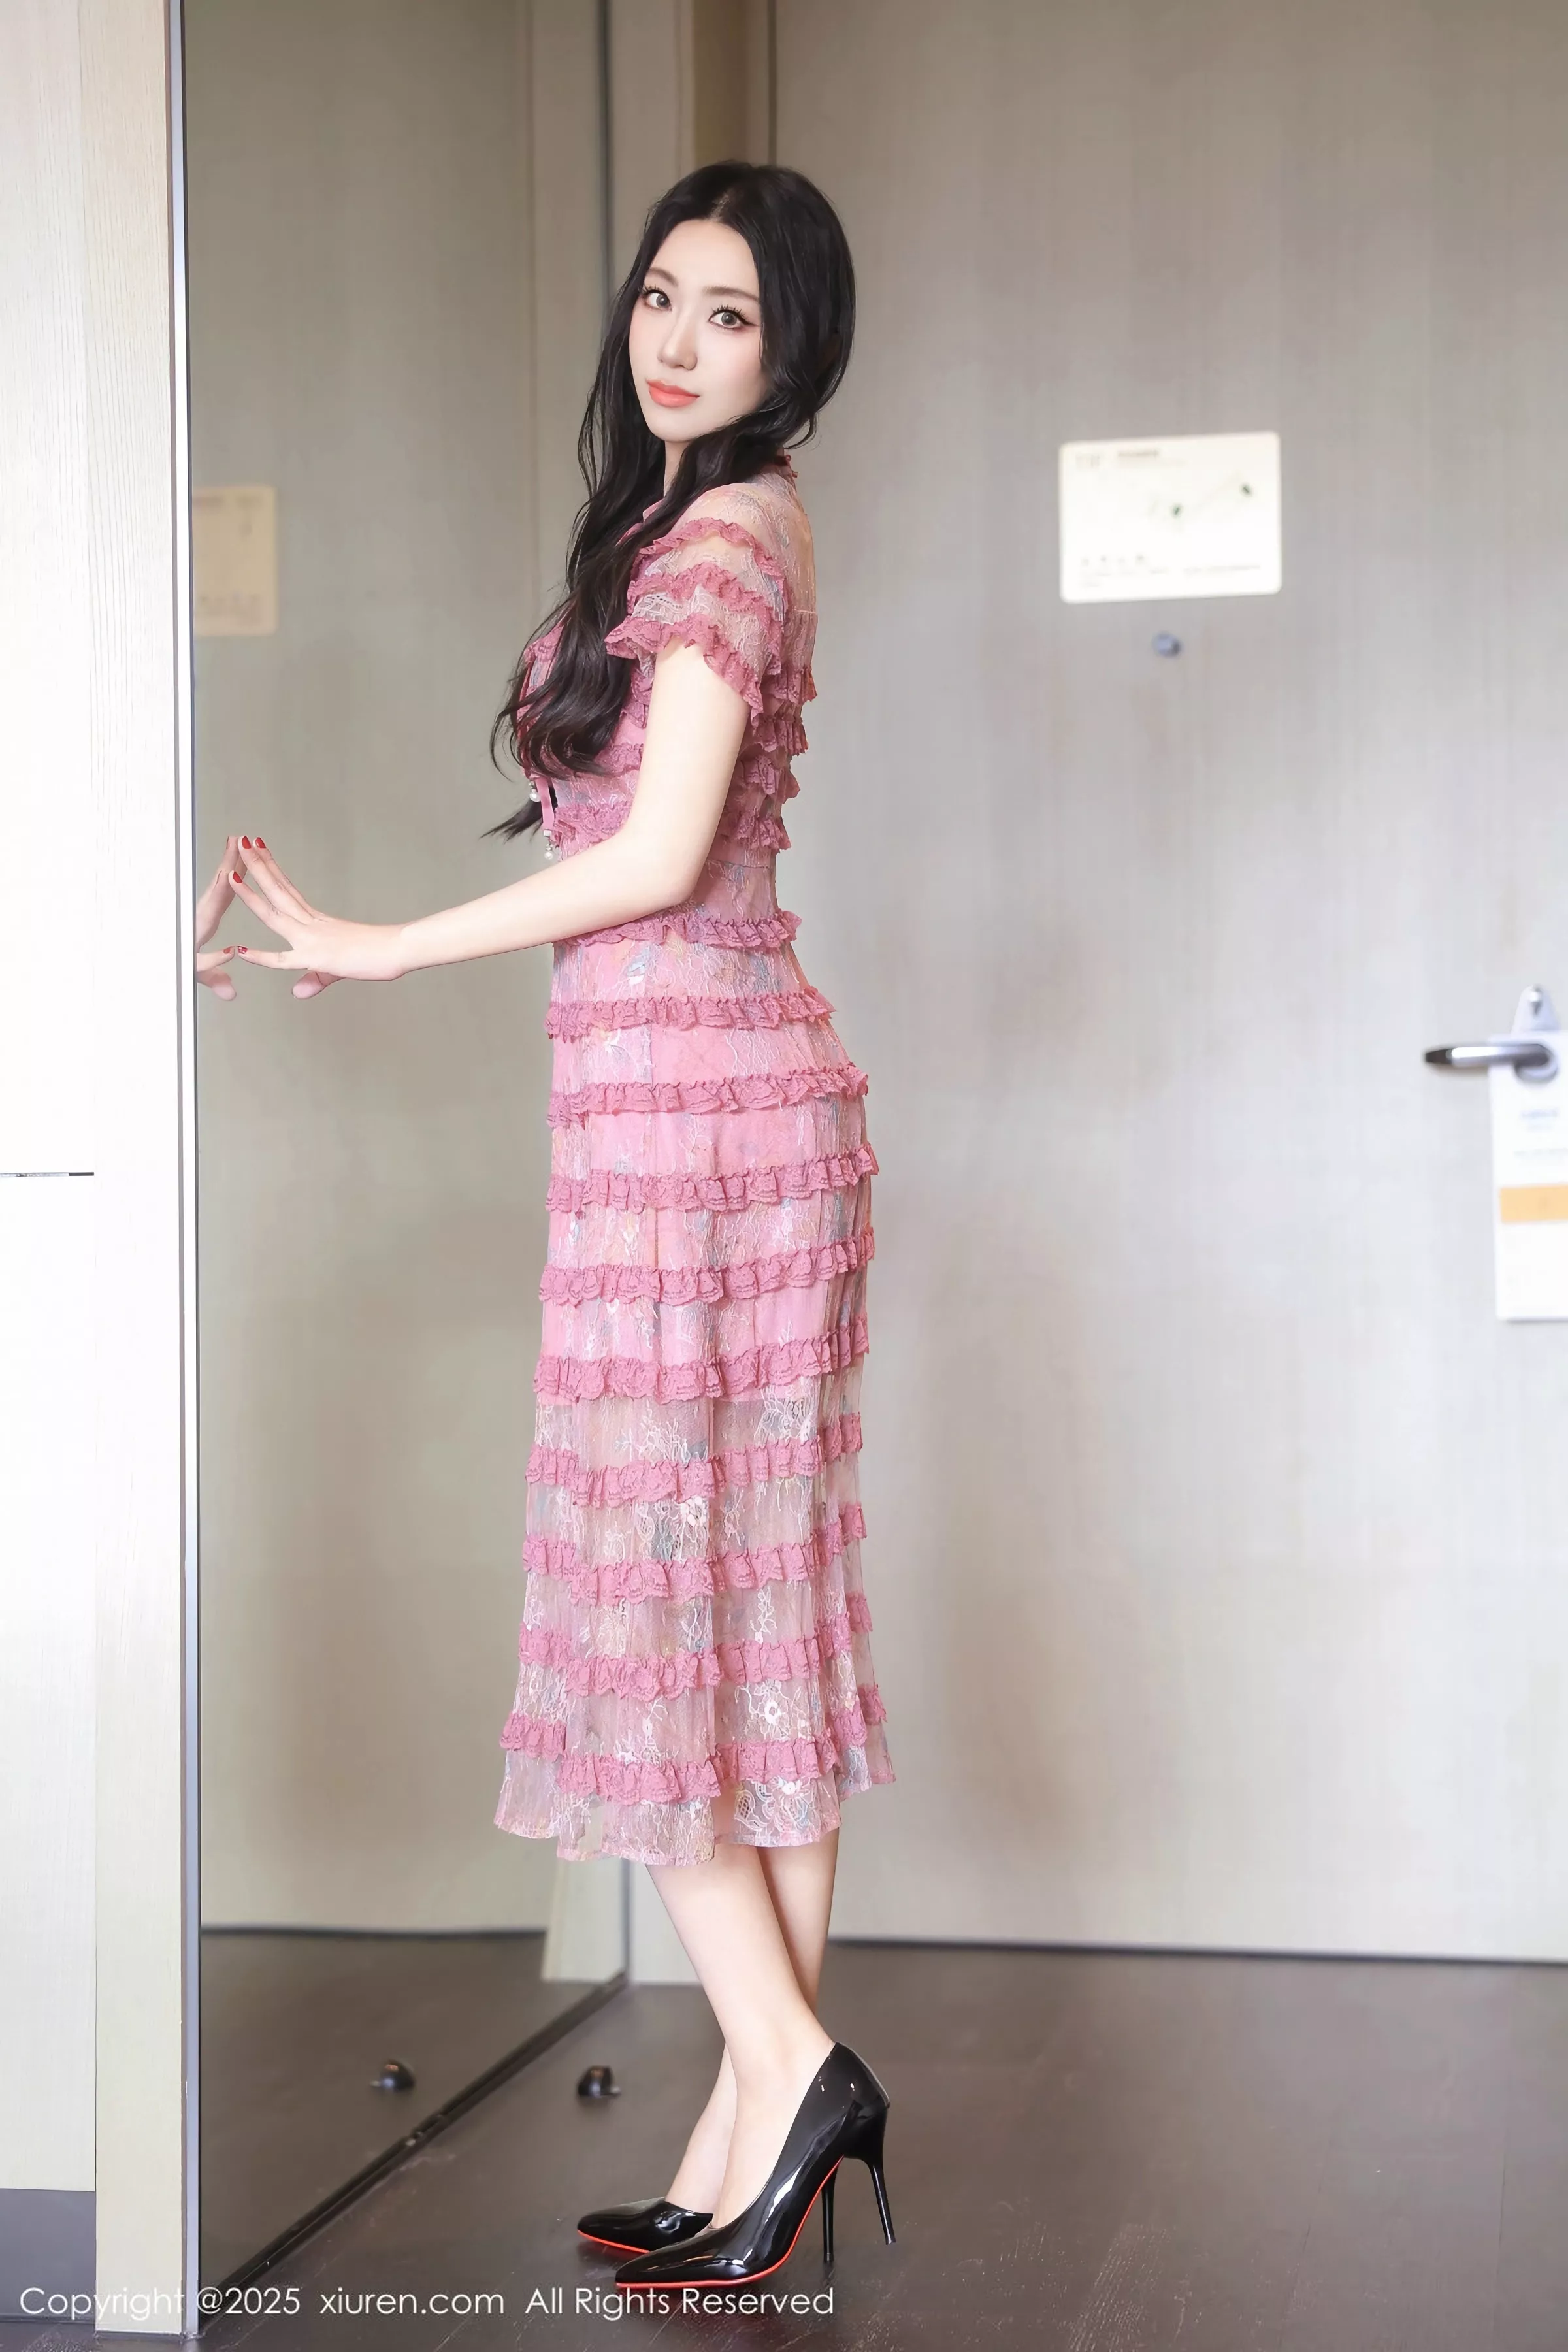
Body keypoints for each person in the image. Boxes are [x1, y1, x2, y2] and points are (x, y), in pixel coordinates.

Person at [218, 161, 895, 2291]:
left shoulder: (730, 540)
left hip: (704, 1135)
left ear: (794, 351)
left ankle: (796, 2070)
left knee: (662, 1610)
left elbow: (660, 854)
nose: (677, 341)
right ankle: (745, 2135)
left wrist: (385, 941)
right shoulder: (693, 526)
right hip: (705, 1117)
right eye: (661, 296)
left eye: (732, 315)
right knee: (739, 1616)